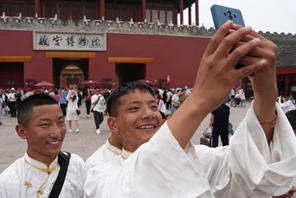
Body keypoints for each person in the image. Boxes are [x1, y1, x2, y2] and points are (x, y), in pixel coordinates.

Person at [85, 21, 296, 197]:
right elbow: (123, 190)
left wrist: (266, 93)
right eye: (134, 108)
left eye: (152, 106)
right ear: (113, 123)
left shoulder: (192, 155)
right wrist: (199, 100)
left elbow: (242, 167)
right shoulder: (98, 167)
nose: (148, 113)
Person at [0, 94, 86, 198]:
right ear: (22, 131)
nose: (57, 133)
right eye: (45, 125)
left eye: (60, 122)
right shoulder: (8, 182)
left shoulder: (76, 165)